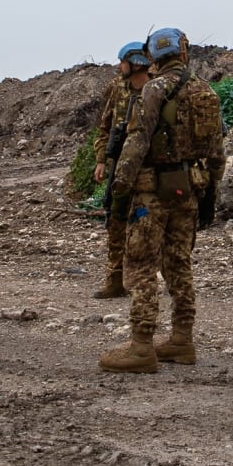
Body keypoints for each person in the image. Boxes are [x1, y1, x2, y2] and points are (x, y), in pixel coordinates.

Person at [99, 27, 200, 373]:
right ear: (182, 52)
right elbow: (215, 151)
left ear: (154, 56)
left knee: (141, 265)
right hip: (187, 189)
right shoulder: (205, 92)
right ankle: (182, 339)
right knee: (179, 263)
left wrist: (119, 189)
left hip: (150, 192)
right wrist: (209, 191)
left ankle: (142, 345)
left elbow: (136, 142)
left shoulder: (152, 90)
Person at [89, 41, 152, 299]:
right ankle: (115, 279)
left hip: (149, 167)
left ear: (136, 63)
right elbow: (104, 128)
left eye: (122, 62)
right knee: (115, 221)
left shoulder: (157, 88)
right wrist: (102, 160)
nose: (118, 67)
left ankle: (152, 279)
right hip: (119, 166)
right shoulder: (117, 89)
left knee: (150, 222)